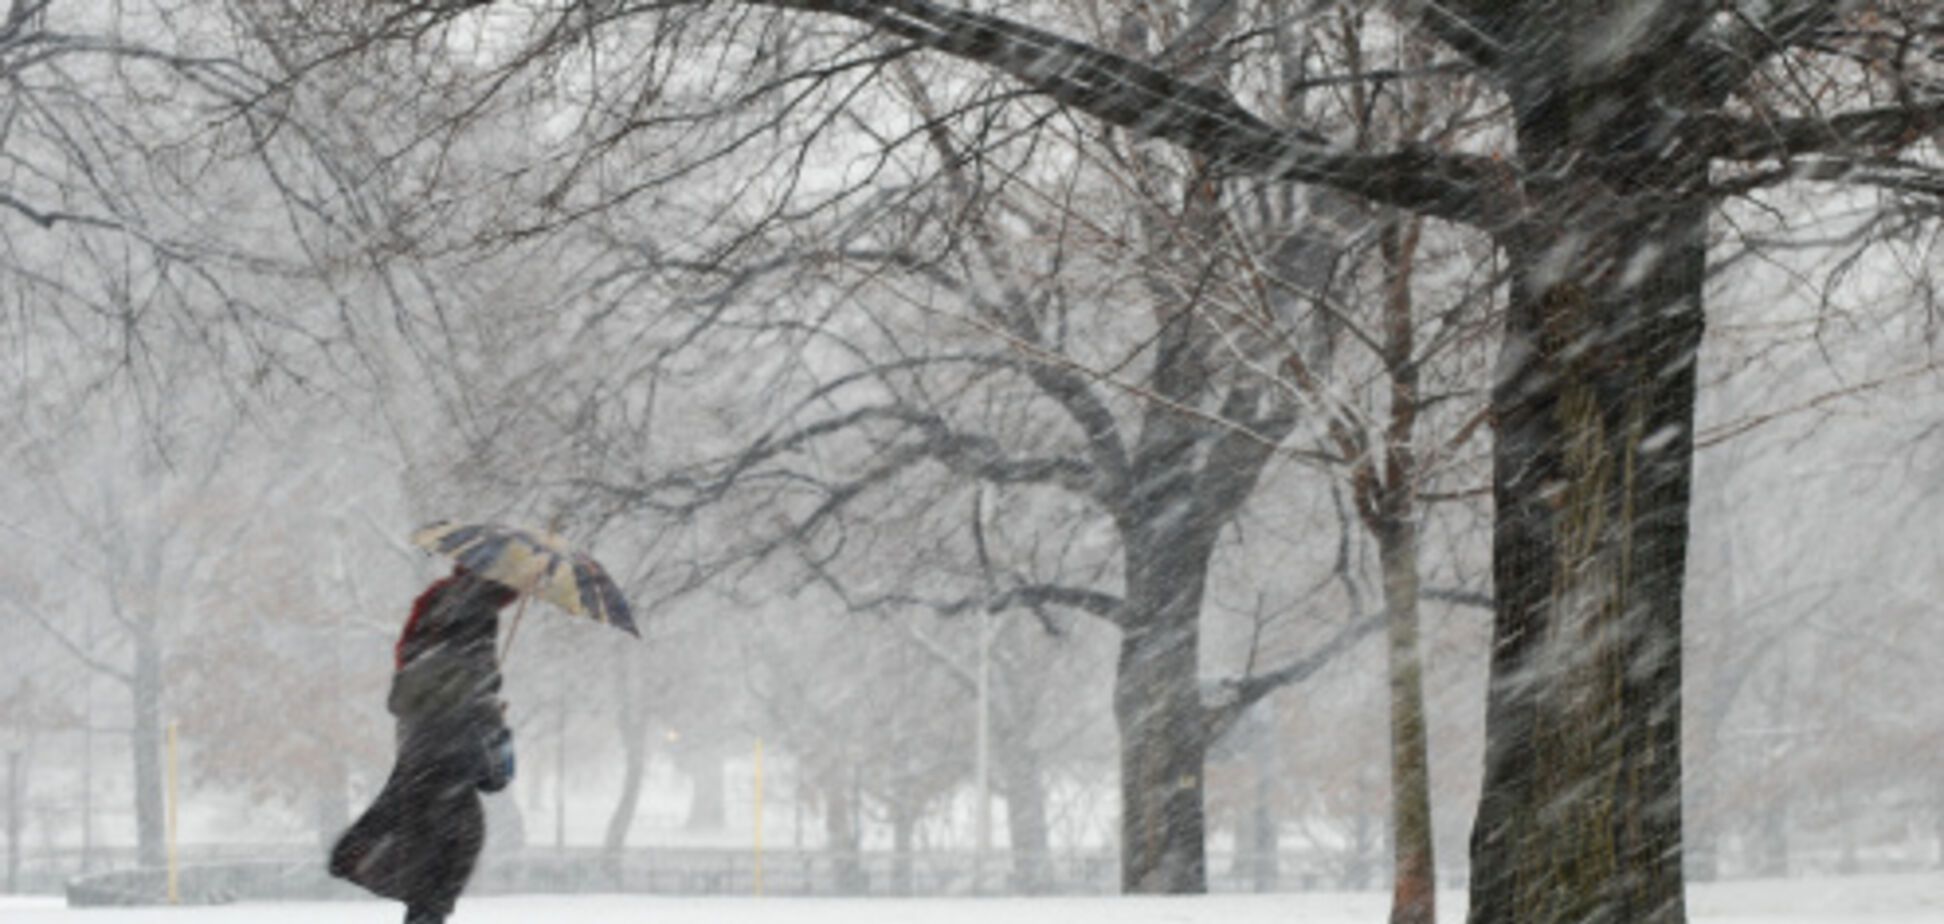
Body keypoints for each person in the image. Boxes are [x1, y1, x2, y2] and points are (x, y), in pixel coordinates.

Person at [330, 566, 519, 924]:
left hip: (417, 771)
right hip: (449, 785)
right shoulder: (476, 633)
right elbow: (494, 778)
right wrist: (493, 717)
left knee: (426, 893)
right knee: (439, 883)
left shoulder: (429, 643)